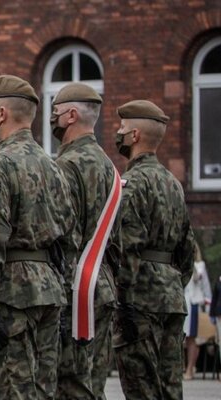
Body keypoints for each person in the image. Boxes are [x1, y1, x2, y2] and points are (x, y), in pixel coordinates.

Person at [0, 75, 73, 398]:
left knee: (12, 390)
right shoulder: (55, 167)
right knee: (44, 390)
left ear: (0, 114)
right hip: (50, 290)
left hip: (12, 294)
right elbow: (69, 236)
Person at [112, 100, 195, 400]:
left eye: (122, 129)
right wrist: (172, 283)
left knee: (142, 389)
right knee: (171, 388)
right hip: (171, 296)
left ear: (134, 136)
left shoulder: (132, 183)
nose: (118, 134)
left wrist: (124, 301)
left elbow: (128, 247)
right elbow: (187, 248)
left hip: (141, 300)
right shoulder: (174, 184)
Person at [50, 82, 115, 398]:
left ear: (71, 115)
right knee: (93, 382)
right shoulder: (108, 165)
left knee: (70, 384)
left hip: (75, 289)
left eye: (56, 112)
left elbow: (61, 234)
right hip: (101, 284)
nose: (53, 118)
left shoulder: (66, 164)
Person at [183, 245, 211, 380]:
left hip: (194, 304)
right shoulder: (179, 263)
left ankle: (190, 368)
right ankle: (183, 367)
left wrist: (208, 305)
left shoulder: (200, 266)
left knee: (192, 338)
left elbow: (205, 286)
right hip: (182, 303)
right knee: (181, 338)